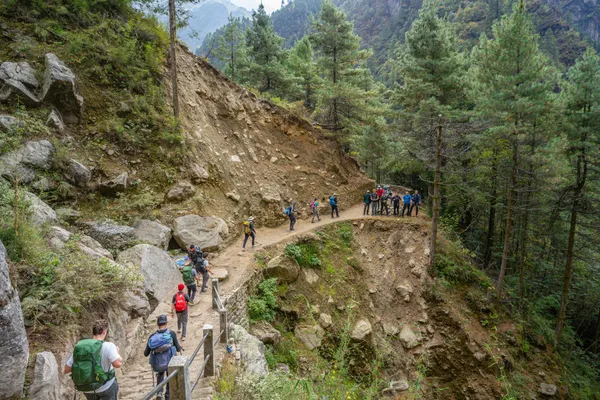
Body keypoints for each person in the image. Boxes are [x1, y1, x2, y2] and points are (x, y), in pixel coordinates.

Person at [64, 319, 122, 400]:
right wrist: (117, 352)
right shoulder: (108, 346)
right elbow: (118, 364)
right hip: (106, 387)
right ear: (104, 332)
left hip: (88, 388)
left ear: (93, 332)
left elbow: (66, 369)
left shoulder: (82, 347)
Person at [144, 314, 183, 400]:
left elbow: (146, 353)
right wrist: (179, 347)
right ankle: (167, 396)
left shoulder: (152, 336)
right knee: (169, 375)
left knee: (160, 373)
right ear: (166, 323)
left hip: (158, 363)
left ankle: (159, 392)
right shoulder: (171, 333)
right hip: (169, 361)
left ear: (157, 324)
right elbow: (177, 347)